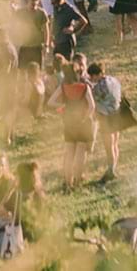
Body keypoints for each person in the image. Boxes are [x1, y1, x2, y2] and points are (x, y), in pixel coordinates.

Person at [46, 55, 96, 189]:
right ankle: (78, 180)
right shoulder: (84, 87)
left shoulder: (63, 87)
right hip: (82, 122)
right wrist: (86, 117)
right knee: (80, 152)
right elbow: (92, 106)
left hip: (69, 121)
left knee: (69, 153)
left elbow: (50, 102)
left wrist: (62, 108)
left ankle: (68, 182)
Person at [88, 61, 130, 182]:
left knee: (108, 146)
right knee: (115, 143)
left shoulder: (100, 86)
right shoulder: (114, 80)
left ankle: (111, 170)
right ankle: (113, 167)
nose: (91, 79)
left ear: (98, 74)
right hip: (117, 114)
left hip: (106, 117)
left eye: (92, 76)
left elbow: (92, 97)